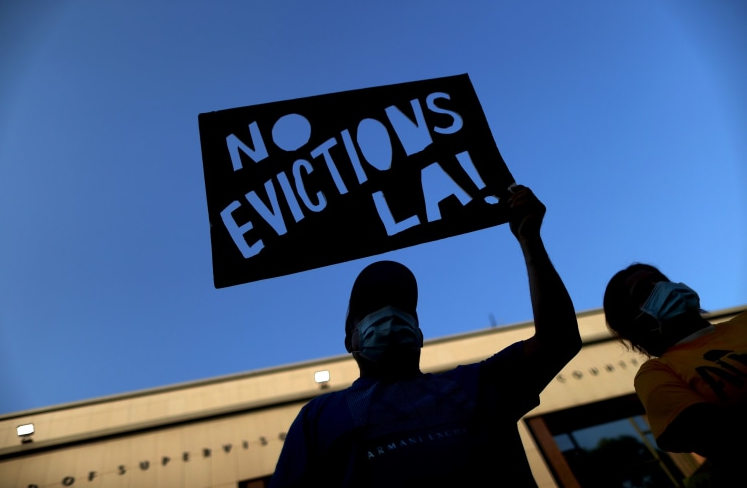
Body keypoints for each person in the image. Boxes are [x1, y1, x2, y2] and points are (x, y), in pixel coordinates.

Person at [268, 186, 581, 488]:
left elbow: (559, 340)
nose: (389, 313)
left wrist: (530, 239)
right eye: (372, 308)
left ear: (419, 333)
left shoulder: (479, 384)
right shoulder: (319, 417)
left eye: (401, 306)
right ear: (351, 340)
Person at [604, 263, 747, 486]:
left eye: (661, 280)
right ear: (631, 319)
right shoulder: (658, 372)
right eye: (644, 291)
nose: (661, 287)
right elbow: (714, 437)